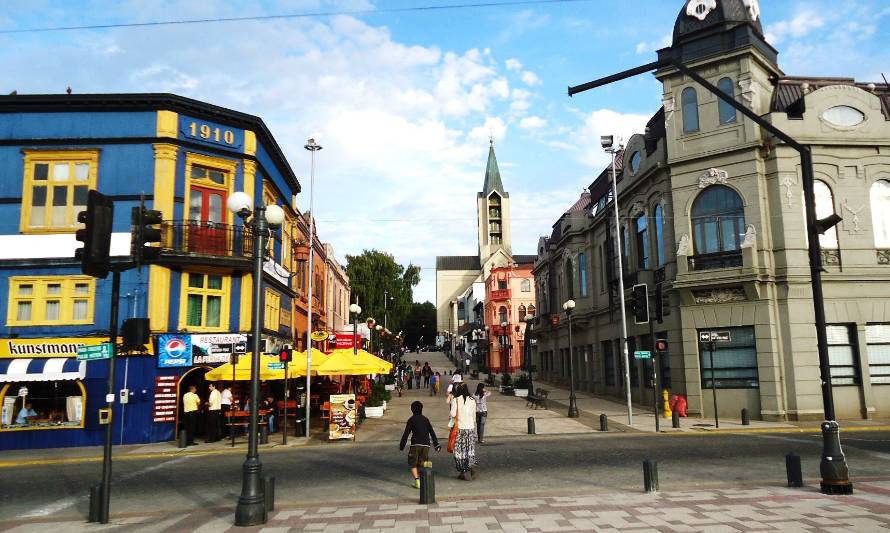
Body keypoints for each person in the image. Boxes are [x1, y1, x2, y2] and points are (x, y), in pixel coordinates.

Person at [399, 401, 441, 489]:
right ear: (422, 409)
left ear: (411, 410)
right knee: (420, 463)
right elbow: (432, 432)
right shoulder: (426, 419)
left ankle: (417, 481)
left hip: (415, 445)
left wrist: (402, 445)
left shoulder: (411, 420)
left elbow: (406, 434)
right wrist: (436, 445)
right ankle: (425, 463)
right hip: (426, 445)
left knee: (413, 464)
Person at [449, 383, 478, 480]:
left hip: (460, 429)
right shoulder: (472, 400)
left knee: (459, 451)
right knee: (470, 450)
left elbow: (453, 414)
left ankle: (463, 473)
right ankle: (472, 467)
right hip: (470, 428)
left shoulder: (456, 400)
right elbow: (474, 416)